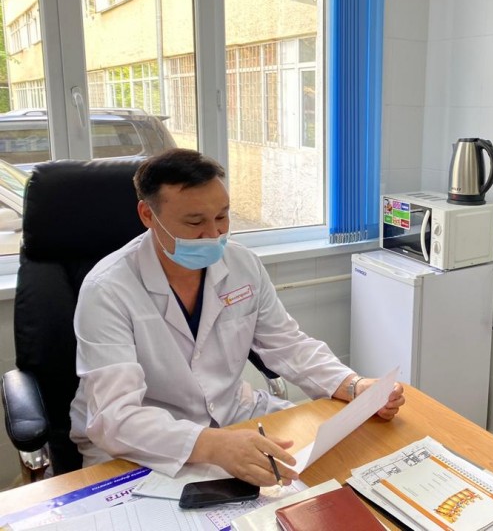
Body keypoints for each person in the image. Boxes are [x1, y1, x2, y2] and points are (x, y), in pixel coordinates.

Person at [69, 148, 405, 486]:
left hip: (234, 416)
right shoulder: (108, 289)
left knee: (340, 470)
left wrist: (352, 385)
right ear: (147, 215)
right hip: (143, 443)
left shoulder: (242, 264)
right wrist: (211, 445)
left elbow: (288, 344)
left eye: (222, 216)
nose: (214, 234)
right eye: (195, 222)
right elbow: (114, 417)